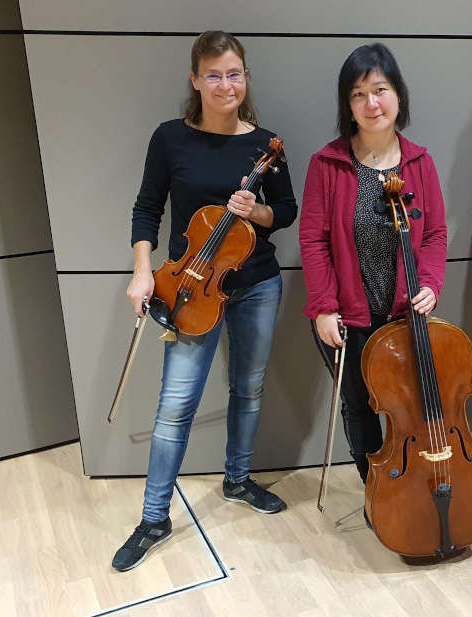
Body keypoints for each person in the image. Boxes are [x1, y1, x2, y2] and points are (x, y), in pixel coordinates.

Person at [113, 31, 298, 572]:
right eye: (213, 74)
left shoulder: (266, 144)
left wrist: (257, 212)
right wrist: (142, 273)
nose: (225, 84)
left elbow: (284, 212)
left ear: (246, 78)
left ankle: (237, 481)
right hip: (190, 288)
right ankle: (153, 517)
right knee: (175, 407)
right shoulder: (170, 138)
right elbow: (146, 208)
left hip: (257, 283)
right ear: (195, 80)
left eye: (234, 73)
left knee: (249, 387)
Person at [300, 43, 447, 491]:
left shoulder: (419, 162)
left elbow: (437, 234)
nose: (372, 104)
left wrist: (432, 284)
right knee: (359, 406)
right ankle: (377, 489)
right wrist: (324, 307)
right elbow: (312, 240)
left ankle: (417, 482)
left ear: (398, 96)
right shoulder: (327, 164)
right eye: (359, 94)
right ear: (348, 105)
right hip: (347, 314)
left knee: (412, 405)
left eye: (380, 90)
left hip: (406, 313)